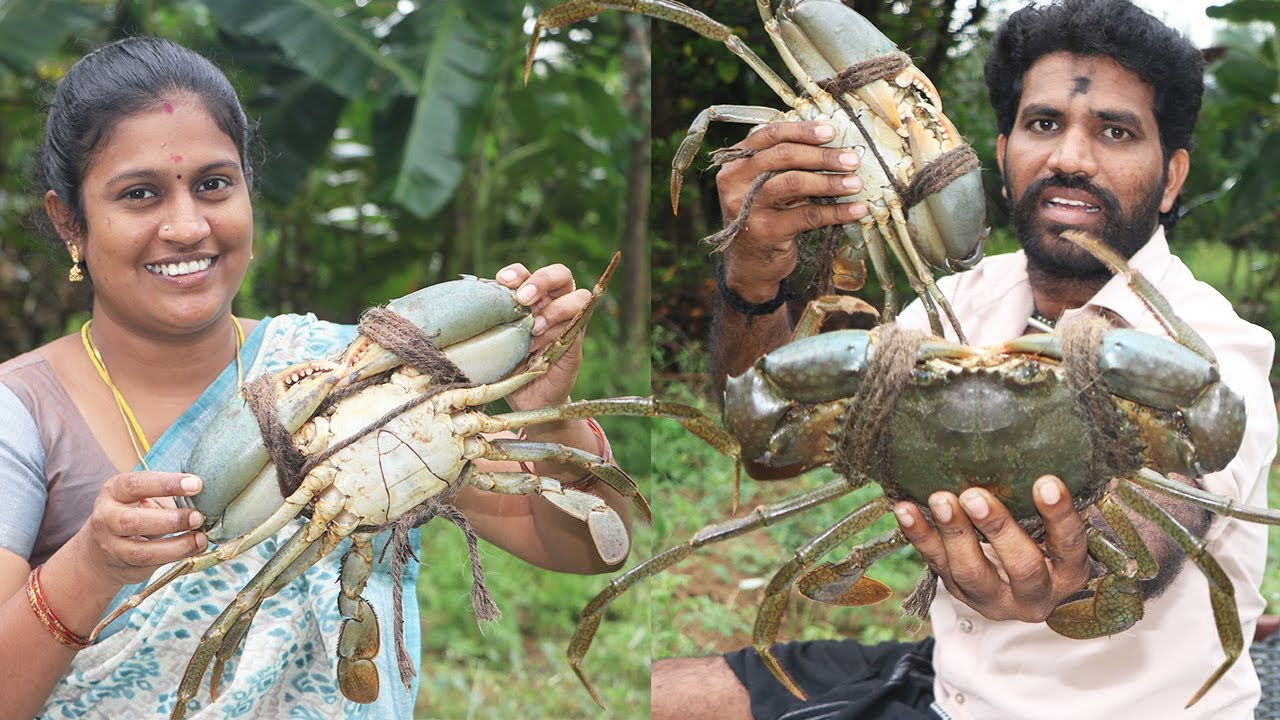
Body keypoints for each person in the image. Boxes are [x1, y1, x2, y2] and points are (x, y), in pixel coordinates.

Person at [655, 1, 1277, 719]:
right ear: (1003, 159)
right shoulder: (952, 306)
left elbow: (1164, 512)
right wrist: (755, 275)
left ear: (1171, 178)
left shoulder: (1211, 348)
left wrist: (1065, 568)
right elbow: (771, 450)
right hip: (948, 683)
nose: (1070, 157)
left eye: (1115, 130)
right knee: (660, 693)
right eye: (1044, 124)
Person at [0, 36, 631, 719]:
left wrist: (553, 410)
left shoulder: (356, 370)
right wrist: (91, 565)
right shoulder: (22, 414)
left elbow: (588, 548)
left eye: (214, 184)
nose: (186, 226)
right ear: (71, 220)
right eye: (139, 194)